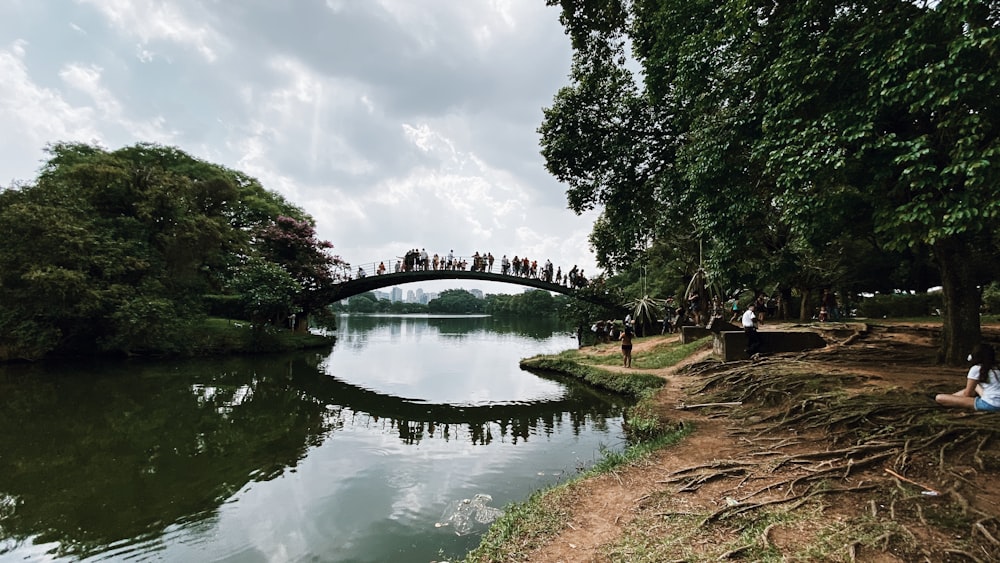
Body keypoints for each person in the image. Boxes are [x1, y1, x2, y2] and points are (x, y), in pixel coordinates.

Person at [935, 344, 1000, 412]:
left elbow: (968, 394)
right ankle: (951, 397)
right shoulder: (997, 370)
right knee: (976, 386)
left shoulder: (976, 369)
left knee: (939, 398)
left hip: (990, 405)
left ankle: (950, 398)